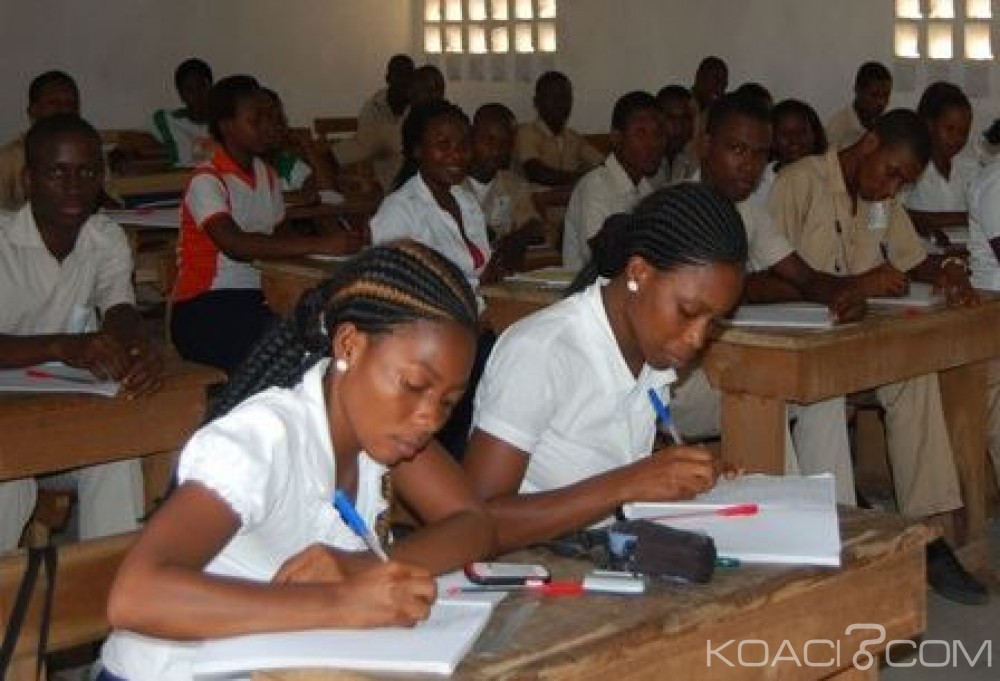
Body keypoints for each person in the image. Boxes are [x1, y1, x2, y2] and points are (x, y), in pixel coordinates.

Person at [99, 241, 496, 681]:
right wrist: (345, 601)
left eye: (449, 402)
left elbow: (472, 522)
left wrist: (364, 567)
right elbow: (135, 596)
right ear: (349, 345)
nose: (429, 417)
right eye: (415, 384)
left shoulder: (387, 434)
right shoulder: (263, 441)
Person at [770, 108, 987, 605]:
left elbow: (913, 258)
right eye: (891, 174)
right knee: (835, 394)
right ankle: (853, 537)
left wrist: (950, 268)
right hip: (800, 350)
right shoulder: (798, 183)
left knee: (914, 375)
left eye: (903, 184)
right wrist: (857, 284)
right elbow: (768, 276)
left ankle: (926, 531)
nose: (892, 190)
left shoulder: (880, 200)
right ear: (868, 144)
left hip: (854, 348)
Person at [462, 183, 744, 554]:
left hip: (606, 559)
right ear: (639, 272)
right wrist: (629, 483)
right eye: (689, 313)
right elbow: (473, 523)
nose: (696, 339)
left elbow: (611, 449)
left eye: (714, 322)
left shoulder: (651, 350)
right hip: (529, 572)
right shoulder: (541, 351)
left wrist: (683, 474)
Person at [675, 93, 860, 506]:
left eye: (760, 153)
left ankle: (840, 515)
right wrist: (774, 286)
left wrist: (847, 292)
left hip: (732, 365)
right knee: (769, 387)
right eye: (736, 149)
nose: (750, 165)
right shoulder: (680, 211)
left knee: (820, 391)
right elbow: (738, 292)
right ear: (706, 146)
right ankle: (790, 519)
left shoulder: (749, 211)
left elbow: (804, 276)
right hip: (679, 386)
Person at [0, 114, 163, 551]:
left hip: (67, 413)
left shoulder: (103, 237)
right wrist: (61, 346)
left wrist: (134, 346)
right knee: (9, 486)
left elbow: (120, 307)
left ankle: (112, 601)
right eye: (58, 172)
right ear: (30, 179)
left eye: (88, 172)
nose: (75, 186)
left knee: (117, 456)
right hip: (6, 424)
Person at [170, 75, 354, 375]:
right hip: (204, 306)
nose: (269, 125)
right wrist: (320, 244)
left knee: (325, 329)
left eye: (270, 116)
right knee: (282, 349)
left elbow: (282, 237)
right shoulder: (207, 179)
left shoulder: (265, 174)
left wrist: (332, 253)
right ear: (226, 126)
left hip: (259, 295)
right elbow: (235, 245)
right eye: (257, 119)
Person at [562, 91, 665, 270]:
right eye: (641, 134)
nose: (653, 143)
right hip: (591, 292)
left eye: (658, 134)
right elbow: (601, 260)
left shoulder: (646, 189)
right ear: (617, 138)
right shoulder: (595, 186)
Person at [465, 103, 544, 279]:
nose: (496, 150)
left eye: (505, 143)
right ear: (471, 138)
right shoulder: (452, 182)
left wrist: (517, 238)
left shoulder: (513, 184)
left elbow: (535, 225)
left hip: (500, 274)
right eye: (489, 140)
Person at [332, 54, 415, 194]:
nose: (404, 81)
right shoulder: (373, 108)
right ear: (388, 78)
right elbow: (364, 148)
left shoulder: (418, 106)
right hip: (384, 180)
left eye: (408, 75)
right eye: (399, 75)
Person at [905, 81, 976, 242]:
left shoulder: (970, 168)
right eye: (949, 129)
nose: (957, 139)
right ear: (928, 124)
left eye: (964, 132)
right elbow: (899, 215)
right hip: (923, 259)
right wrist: (966, 218)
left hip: (966, 256)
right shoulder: (909, 167)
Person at [0, 70, 80, 211]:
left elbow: (113, 210)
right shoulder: (8, 160)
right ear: (32, 110)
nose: (64, 111)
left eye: (71, 104)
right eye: (53, 103)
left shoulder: (90, 154)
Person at [514, 71, 603, 186]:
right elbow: (537, 174)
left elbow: (603, 165)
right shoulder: (526, 133)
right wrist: (584, 179)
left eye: (565, 97)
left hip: (569, 201)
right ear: (536, 102)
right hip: (534, 202)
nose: (560, 103)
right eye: (552, 97)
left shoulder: (574, 138)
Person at [260, 87, 336, 206]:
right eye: (269, 117)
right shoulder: (243, 166)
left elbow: (329, 192)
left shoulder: (285, 162)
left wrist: (308, 146)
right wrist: (293, 197)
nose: (279, 124)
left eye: (280, 117)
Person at [749, 98, 828, 207]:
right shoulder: (760, 182)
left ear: (814, 134)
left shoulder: (828, 175)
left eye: (802, 132)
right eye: (785, 134)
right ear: (771, 139)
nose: (794, 140)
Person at [152, 58, 215, 168]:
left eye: (202, 86)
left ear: (212, 87)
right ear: (181, 95)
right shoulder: (167, 120)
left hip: (217, 180)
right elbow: (129, 139)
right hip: (181, 180)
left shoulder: (227, 122)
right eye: (189, 90)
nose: (197, 94)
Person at [825, 61, 893, 150]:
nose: (881, 102)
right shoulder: (838, 128)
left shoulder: (889, 125)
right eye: (874, 95)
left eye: (886, 95)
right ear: (858, 90)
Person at [654, 85, 698, 184]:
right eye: (670, 117)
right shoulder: (643, 163)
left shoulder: (685, 159)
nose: (679, 126)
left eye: (686, 118)